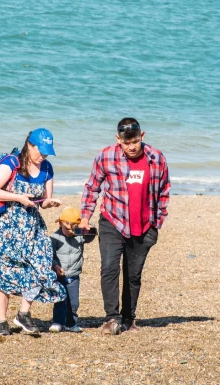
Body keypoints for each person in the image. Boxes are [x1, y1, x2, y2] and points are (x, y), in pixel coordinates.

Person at [78, 118, 170, 335]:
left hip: (144, 224)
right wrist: (85, 217)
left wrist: (157, 222)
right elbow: (92, 187)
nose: (131, 147)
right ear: (118, 139)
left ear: (142, 136)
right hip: (113, 220)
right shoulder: (106, 155)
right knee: (109, 267)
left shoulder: (156, 158)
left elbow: (164, 190)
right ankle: (112, 318)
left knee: (134, 274)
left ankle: (129, 319)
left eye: (135, 141)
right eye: (126, 142)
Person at [0, 128, 64, 337]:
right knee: (6, 271)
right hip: (5, 227)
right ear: (30, 145)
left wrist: (49, 203)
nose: (43, 156)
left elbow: (43, 201)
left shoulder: (47, 168)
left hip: (32, 227)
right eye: (40, 151)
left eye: (47, 152)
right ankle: (2, 322)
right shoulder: (12, 163)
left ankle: (23, 314)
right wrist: (19, 197)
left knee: (41, 265)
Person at [48, 206, 96, 333]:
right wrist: (55, 266)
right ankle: (57, 322)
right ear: (60, 223)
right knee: (60, 299)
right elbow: (49, 255)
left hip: (74, 274)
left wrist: (87, 227)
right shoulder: (55, 238)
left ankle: (71, 323)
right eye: (67, 228)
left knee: (73, 303)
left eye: (73, 228)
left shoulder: (79, 236)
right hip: (60, 275)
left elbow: (92, 234)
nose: (70, 231)